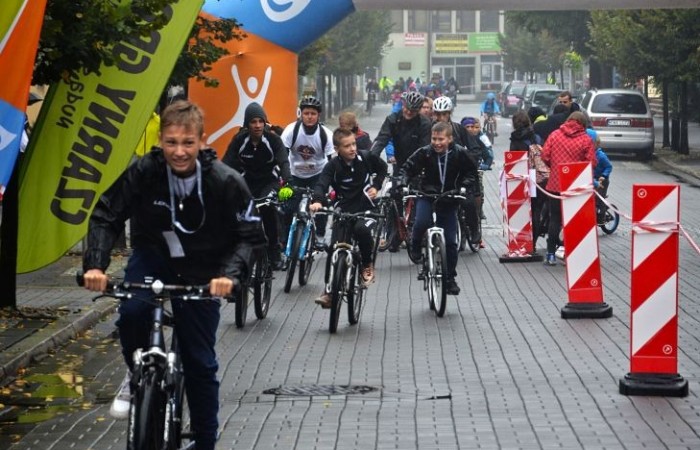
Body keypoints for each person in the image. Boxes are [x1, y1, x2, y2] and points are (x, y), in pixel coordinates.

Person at [81, 100, 265, 450]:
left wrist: (229, 276)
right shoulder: (144, 171)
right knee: (132, 312)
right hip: (153, 256)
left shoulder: (225, 181)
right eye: (171, 143)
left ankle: (205, 442)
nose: (179, 152)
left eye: (187, 143)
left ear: (202, 141)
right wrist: (95, 265)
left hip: (204, 268)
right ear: (161, 141)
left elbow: (250, 236)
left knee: (199, 361)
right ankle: (137, 371)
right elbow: (107, 213)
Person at [309, 128, 388, 307]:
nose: (352, 148)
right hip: (343, 210)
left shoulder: (366, 158)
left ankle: (367, 264)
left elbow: (383, 168)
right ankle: (329, 291)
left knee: (361, 230)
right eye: (347, 146)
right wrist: (317, 201)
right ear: (337, 149)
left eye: (353, 144)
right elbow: (322, 183)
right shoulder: (333, 166)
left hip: (366, 208)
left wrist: (376, 186)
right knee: (333, 248)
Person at [400, 121, 480, 296]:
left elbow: (471, 172)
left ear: (450, 139)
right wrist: (403, 182)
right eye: (434, 139)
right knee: (421, 221)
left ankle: (450, 278)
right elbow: (407, 168)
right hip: (426, 195)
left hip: (449, 198)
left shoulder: (460, 153)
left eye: (441, 139)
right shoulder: (424, 153)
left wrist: (464, 186)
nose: (437, 143)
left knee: (451, 242)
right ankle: (415, 245)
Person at [222, 102, 291, 270]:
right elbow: (226, 164)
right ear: (247, 124)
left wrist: (288, 183)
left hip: (269, 181)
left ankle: (274, 252)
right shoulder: (239, 140)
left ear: (265, 123)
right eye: (253, 122)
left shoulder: (273, 140)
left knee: (268, 209)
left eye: (261, 121)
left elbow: (284, 162)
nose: (258, 125)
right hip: (247, 182)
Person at [541, 111, 597, 265]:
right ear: (583, 124)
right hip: (575, 187)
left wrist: (554, 168)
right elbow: (591, 162)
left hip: (555, 185)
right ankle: (569, 253)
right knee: (573, 221)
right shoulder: (586, 139)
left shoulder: (555, 135)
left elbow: (545, 155)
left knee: (555, 219)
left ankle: (550, 254)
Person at [281, 96, 334, 242]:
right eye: (306, 113)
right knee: (287, 208)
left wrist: (329, 186)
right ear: (301, 114)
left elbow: (331, 164)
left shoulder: (326, 135)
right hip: (294, 175)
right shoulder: (291, 131)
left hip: (318, 175)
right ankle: (284, 242)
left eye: (313, 113)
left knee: (320, 207)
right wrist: (285, 178)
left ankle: (320, 237)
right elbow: (282, 157)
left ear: (318, 115)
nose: (309, 117)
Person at [509, 110, 548, 248]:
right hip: (538, 178)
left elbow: (512, 161)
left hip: (521, 178)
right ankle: (534, 242)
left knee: (522, 210)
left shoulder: (515, 139)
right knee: (536, 210)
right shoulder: (536, 137)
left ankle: (523, 242)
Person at [587, 129, 613, 223]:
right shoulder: (587, 154)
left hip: (602, 180)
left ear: (596, 144)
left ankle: (602, 217)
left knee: (599, 198)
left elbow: (609, 166)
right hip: (593, 179)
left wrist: (604, 175)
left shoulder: (601, 156)